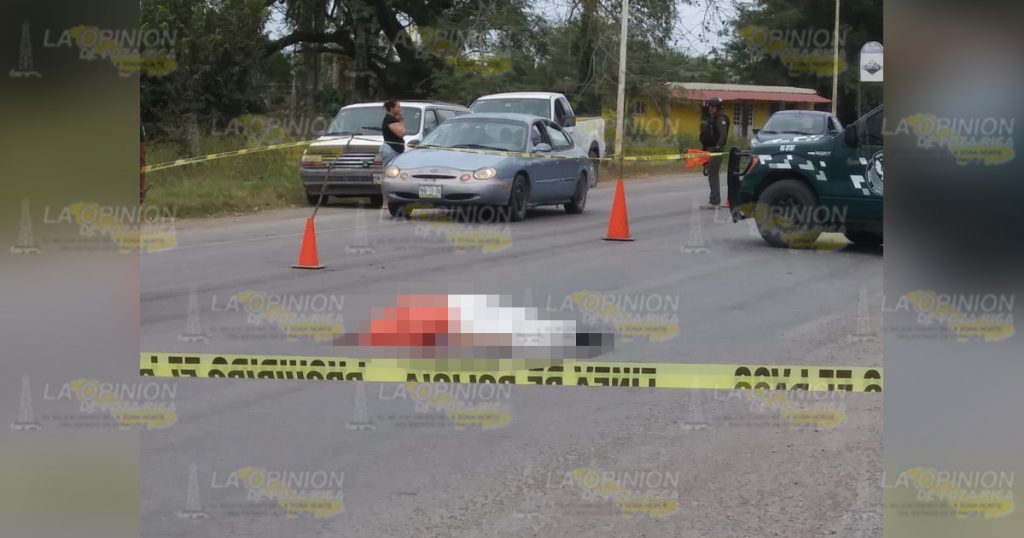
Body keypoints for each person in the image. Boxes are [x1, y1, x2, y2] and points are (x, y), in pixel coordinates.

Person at [699, 97, 730, 209]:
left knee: (713, 175)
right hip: (709, 149)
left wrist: (717, 147)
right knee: (711, 175)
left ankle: (715, 201)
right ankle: (714, 200)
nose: (710, 108)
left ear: (718, 107)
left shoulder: (720, 119)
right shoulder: (712, 119)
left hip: (715, 151)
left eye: (712, 106)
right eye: (709, 106)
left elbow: (723, 135)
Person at [379, 98, 406, 166]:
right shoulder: (390, 119)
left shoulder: (392, 119)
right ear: (392, 108)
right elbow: (402, 133)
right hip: (391, 150)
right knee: (390, 169)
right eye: (398, 107)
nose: (400, 109)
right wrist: (401, 120)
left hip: (394, 150)